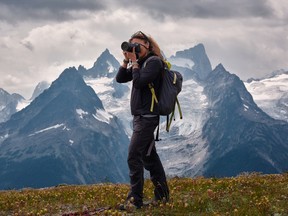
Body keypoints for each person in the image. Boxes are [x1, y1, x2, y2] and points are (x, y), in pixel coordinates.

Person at [116, 31, 169, 209]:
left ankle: (135, 200)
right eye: (132, 45)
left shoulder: (154, 62)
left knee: (133, 156)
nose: (135, 49)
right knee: (149, 158)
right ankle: (162, 196)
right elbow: (121, 78)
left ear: (147, 45)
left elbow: (139, 82)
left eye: (137, 46)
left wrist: (136, 62)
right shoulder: (142, 63)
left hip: (147, 117)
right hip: (139, 117)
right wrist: (126, 60)